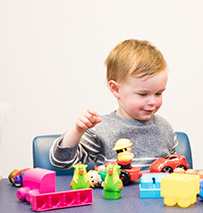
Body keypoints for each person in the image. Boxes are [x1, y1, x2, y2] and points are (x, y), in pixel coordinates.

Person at [50, 39, 177, 171]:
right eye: (143, 94)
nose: (152, 102)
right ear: (116, 89)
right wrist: (77, 131)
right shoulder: (101, 129)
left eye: (158, 93)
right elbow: (61, 162)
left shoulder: (165, 129)